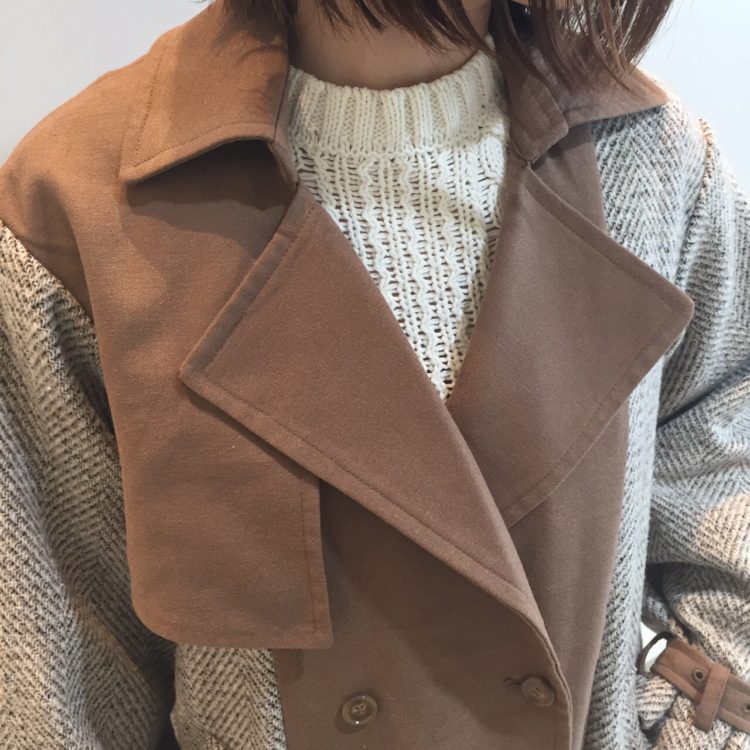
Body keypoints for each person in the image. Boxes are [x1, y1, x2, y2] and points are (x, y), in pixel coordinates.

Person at [0, 0, 748, 748]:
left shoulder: (657, 160)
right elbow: (56, 687)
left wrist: (695, 720)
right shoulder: (77, 209)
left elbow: (720, 470)